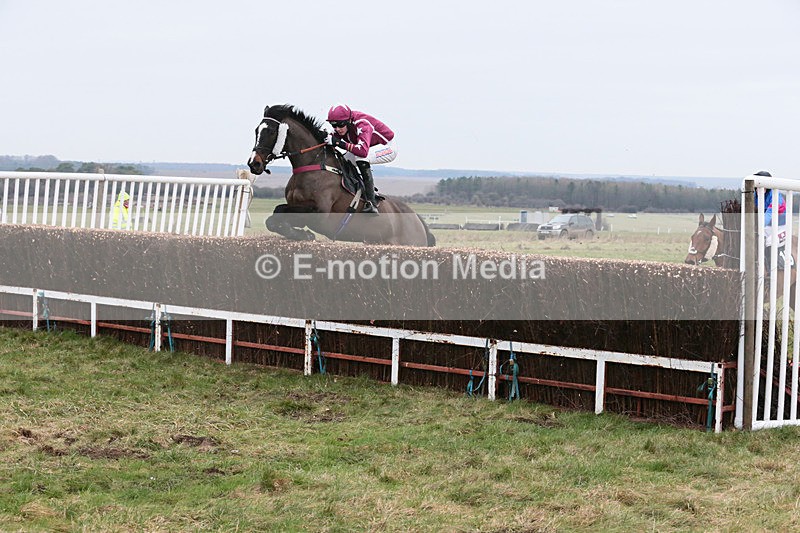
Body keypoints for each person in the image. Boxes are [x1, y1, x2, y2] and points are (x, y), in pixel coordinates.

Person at [326, 104, 397, 215]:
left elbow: (362, 151)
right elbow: (332, 139)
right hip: (368, 148)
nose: (337, 129)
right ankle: (356, 189)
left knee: (361, 157)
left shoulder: (362, 124)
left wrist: (338, 143)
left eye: (340, 125)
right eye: (333, 125)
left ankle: (371, 202)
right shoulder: (343, 126)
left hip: (387, 147)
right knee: (344, 160)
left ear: (349, 120)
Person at [753, 171, 791, 270]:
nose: (757, 188)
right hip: (767, 227)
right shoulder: (755, 195)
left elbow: (768, 216)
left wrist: (757, 226)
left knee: (769, 242)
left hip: (780, 227)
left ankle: (771, 269)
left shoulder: (775, 197)